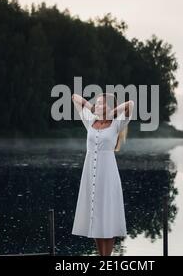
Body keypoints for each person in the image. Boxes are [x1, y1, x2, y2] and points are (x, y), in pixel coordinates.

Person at [71, 92, 134, 256]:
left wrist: (112, 113)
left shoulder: (116, 123)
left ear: (110, 107)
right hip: (90, 172)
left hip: (108, 174)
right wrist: (93, 108)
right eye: (97, 103)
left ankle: (107, 258)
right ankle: (102, 257)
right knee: (95, 214)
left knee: (108, 213)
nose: (99, 106)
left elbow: (131, 104)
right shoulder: (90, 121)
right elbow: (74, 98)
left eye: (102, 104)